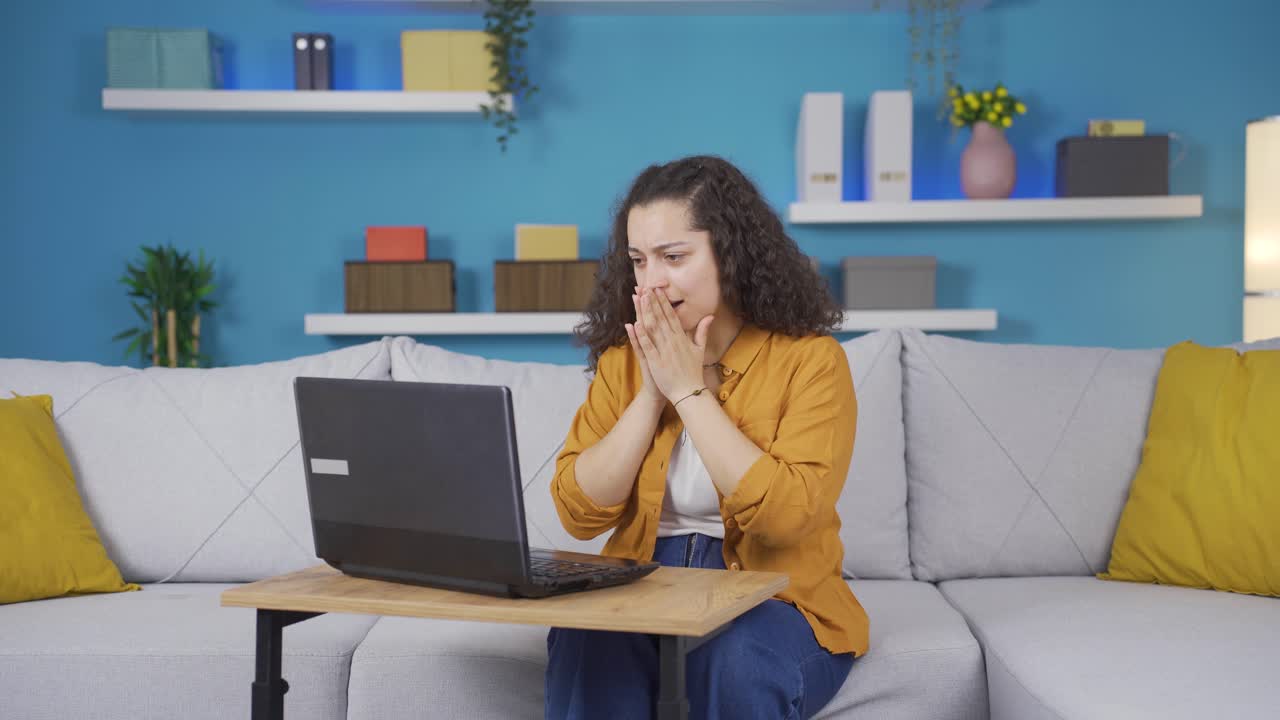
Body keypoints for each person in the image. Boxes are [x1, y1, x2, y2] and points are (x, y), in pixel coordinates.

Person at [546, 154, 868, 720]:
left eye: (674, 257)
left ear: (731, 253)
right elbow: (578, 512)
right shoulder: (624, 365)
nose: (652, 281)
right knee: (585, 637)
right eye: (639, 261)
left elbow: (788, 515)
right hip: (645, 576)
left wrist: (689, 392)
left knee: (735, 659)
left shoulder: (813, 362)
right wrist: (650, 394)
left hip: (776, 593)